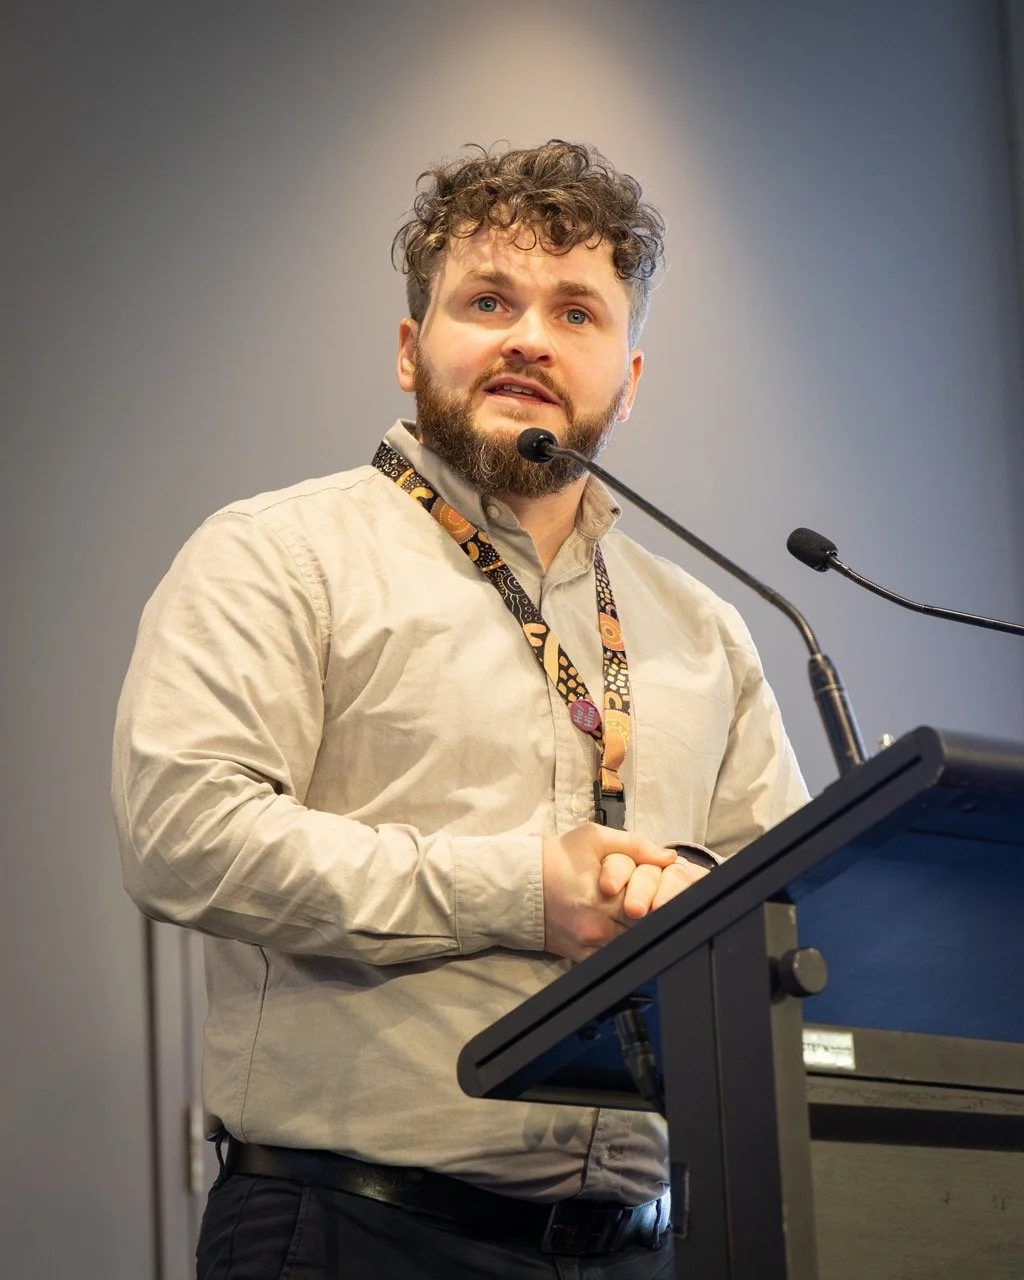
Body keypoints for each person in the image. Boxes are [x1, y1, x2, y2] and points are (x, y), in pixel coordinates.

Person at [113, 140, 807, 1279]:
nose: (529, 336)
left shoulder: (706, 631)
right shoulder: (278, 557)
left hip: (652, 1246)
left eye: (576, 312)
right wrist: (525, 890)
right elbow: (182, 834)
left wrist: (690, 893)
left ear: (627, 381)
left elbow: (778, 910)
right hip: (348, 1231)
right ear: (409, 349)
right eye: (489, 300)